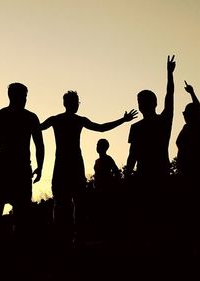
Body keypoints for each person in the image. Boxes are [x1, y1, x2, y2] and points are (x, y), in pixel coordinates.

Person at [40, 90, 137, 243]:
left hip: (65, 166)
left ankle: (68, 237)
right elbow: (101, 128)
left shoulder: (57, 120)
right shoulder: (73, 120)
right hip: (71, 166)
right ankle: (71, 237)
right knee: (72, 203)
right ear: (68, 103)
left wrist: (122, 120)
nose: (77, 105)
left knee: (67, 203)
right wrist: (122, 120)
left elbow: (36, 128)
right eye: (76, 102)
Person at [0, 82, 44, 237]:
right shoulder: (2, 117)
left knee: (20, 216)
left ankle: (13, 253)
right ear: (12, 96)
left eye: (25, 96)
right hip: (5, 170)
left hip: (18, 171)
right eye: (22, 96)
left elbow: (39, 145)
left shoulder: (29, 117)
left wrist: (40, 166)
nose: (24, 99)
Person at [125, 55, 176, 180]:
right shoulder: (136, 127)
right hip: (145, 174)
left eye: (143, 100)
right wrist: (127, 174)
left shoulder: (163, 120)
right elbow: (132, 155)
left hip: (160, 173)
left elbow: (169, 95)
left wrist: (170, 74)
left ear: (154, 103)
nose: (140, 103)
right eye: (139, 101)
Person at [176, 81, 200, 177]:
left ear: (193, 114)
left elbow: (199, 108)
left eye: (186, 113)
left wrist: (192, 93)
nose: (184, 115)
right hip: (184, 168)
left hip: (198, 168)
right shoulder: (185, 127)